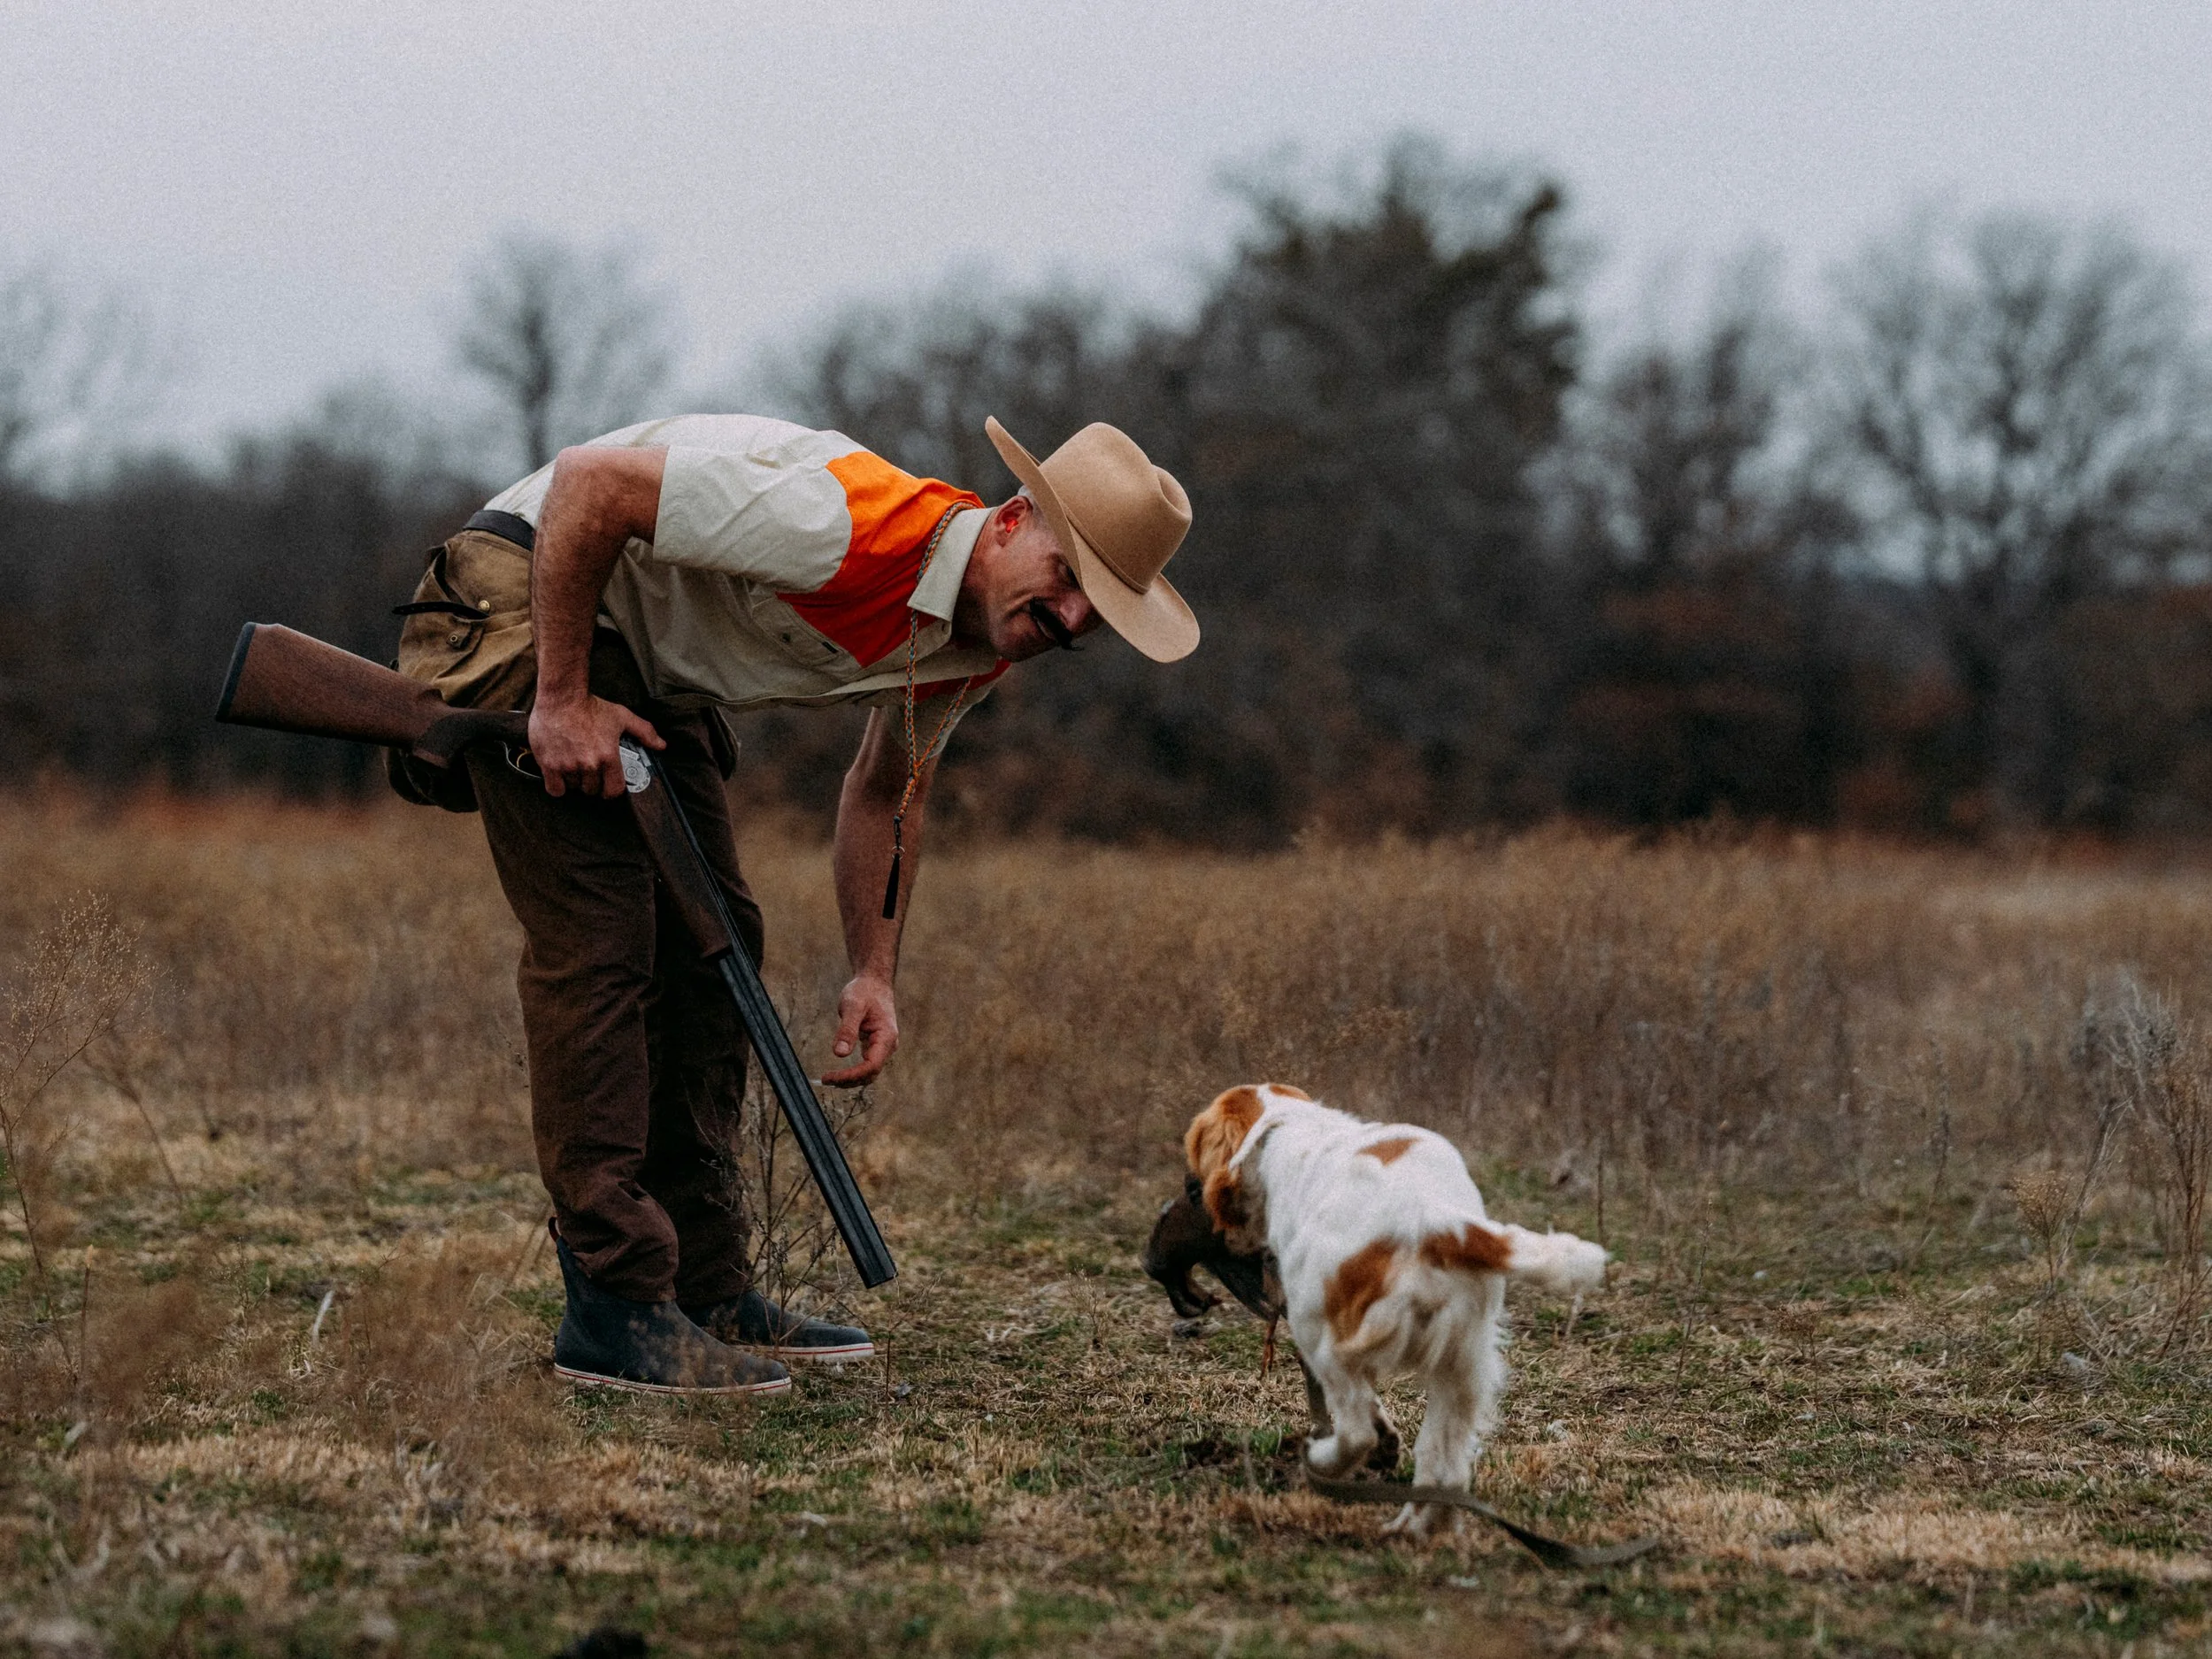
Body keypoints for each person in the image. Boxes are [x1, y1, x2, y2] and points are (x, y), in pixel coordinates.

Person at [438, 413, 1197, 1394]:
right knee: (605, 935)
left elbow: (887, 789)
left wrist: (871, 971)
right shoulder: (843, 526)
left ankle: (703, 1289)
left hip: (642, 658)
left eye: (1100, 609)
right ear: (1011, 522)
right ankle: (613, 1308)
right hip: (522, 591)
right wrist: (560, 699)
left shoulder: (973, 644)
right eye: (1069, 577)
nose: (1074, 621)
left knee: (720, 944)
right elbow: (589, 485)